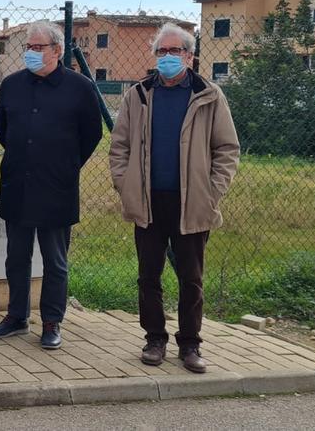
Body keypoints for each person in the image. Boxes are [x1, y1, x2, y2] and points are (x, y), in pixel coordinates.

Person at [109, 23, 240, 373]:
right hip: (148, 201)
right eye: (161, 52)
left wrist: (213, 191)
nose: (167, 57)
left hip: (192, 202)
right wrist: (125, 185)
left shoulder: (209, 95)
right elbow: (119, 146)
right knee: (148, 275)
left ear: (189, 55)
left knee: (191, 277)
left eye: (175, 51)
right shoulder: (137, 95)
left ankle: (191, 344)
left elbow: (227, 149)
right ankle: (154, 338)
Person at [0, 21, 103, 350]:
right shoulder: (11, 85)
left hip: (57, 187)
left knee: (55, 260)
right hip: (18, 184)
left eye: (38, 47)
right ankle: (16, 315)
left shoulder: (79, 87)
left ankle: (52, 322)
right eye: (29, 47)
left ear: (57, 51)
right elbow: (1, 128)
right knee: (16, 257)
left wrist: (65, 165)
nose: (32, 53)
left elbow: (92, 134)